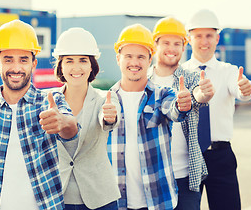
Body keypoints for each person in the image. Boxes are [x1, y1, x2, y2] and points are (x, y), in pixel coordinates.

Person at [0, 20, 79, 210]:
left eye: (23, 59)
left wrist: (62, 122)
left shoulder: (50, 101)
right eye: (8, 59)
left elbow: (72, 129)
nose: (16, 68)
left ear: (33, 64)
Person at [107, 23, 192, 210]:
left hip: (158, 201)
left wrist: (182, 105)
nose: (134, 62)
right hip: (117, 202)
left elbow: (174, 110)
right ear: (118, 58)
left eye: (141, 57)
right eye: (128, 56)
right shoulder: (106, 100)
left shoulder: (163, 95)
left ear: (149, 59)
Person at [182, 9, 251, 210]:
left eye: (209, 35)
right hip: (187, 157)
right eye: (198, 36)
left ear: (217, 38)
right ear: (189, 39)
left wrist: (246, 88)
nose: (204, 41)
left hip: (220, 156)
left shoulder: (229, 71)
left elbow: (242, 89)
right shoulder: (180, 74)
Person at [51, 27, 121, 210]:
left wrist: (109, 117)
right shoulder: (48, 101)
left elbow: (109, 118)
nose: (76, 67)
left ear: (92, 66)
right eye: (69, 61)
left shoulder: (105, 98)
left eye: (83, 60)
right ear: (61, 66)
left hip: (100, 198)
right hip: (58, 196)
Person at [149, 17, 214, 210]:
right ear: (155, 45)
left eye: (177, 43)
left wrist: (204, 93)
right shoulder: (143, 81)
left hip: (185, 177)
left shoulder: (192, 77)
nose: (172, 48)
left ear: (184, 46)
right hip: (151, 178)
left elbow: (198, 95)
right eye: (166, 43)